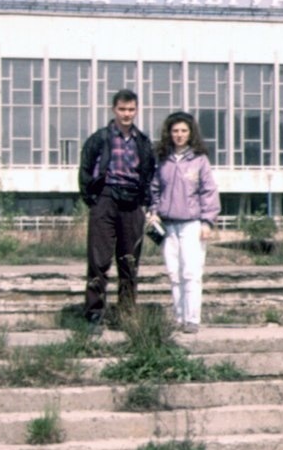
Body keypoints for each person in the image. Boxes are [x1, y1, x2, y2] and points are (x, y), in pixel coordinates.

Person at [79, 89, 156, 328]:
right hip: (106, 198)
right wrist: (94, 201)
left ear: (136, 110)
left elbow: (149, 173)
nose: (126, 114)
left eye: (131, 109)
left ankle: (126, 314)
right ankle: (94, 313)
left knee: (129, 260)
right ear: (114, 110)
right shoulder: (100, 138)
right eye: (122, 109)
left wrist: (146, 202)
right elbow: (84, 171)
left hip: (132, 202)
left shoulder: (142, 142)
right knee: (99, 259)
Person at [148, 111, 220, 334]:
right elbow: (155, 189)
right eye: (175, 131)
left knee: (191, 273)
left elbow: (209, 192)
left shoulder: (199, 160)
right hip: (168, 226)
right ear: (169, 133)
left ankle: (192, 319)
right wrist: (153, 211)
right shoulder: (163, 160)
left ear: (191, 134)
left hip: (192, 224)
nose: (179, 135)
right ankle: (178, 318)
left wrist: (207, 222)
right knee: (173, 273)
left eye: (184, 131)